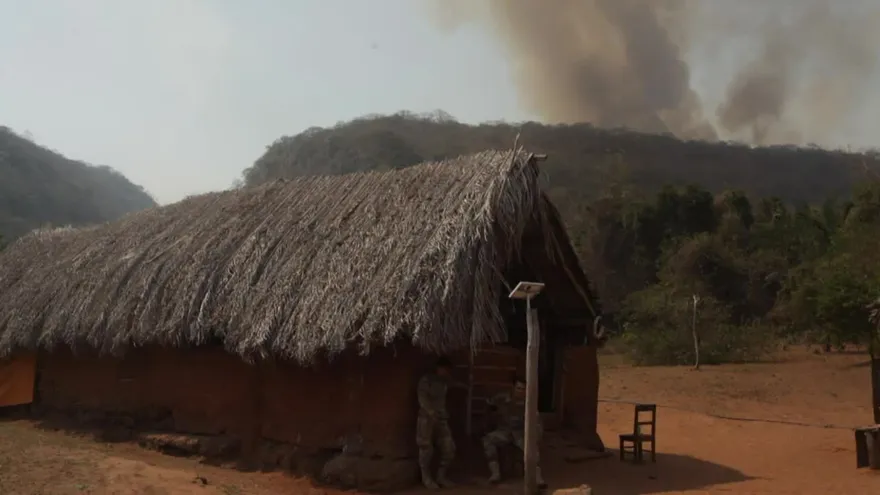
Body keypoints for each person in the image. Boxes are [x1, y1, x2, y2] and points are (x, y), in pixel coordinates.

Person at [482, 376, 547, 488]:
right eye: (518, 388)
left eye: (523, 389)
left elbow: (538, 424)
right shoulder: (502, 398)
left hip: (521, 434)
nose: (521, 391)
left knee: (532, 449)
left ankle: (537, 477)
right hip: (505, 432)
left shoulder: (530, 404)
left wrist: (535, 438)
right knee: (488, 440)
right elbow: (489, 406)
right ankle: (495, 473)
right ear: (513, 388)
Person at [416, 356, 458, 489]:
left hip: (441, 419)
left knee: (449, 448)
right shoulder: (426, 381)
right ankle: (426, 478)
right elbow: (422, 398)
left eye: (448, 370)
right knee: (426, 449)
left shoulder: (445, 381)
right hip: (426, 419)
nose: (446, 372)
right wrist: (430, 412)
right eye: (444, 369)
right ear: (438, 368)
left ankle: (441, 476)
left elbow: (453, 385)